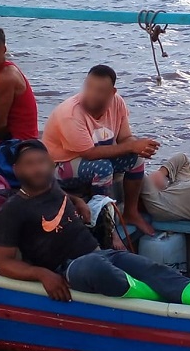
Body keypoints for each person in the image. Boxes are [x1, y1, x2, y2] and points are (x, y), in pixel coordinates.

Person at [0, 140, 190, 303]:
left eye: (42, 162)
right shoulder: (12, 210)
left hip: (100, 254)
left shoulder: (52, 185)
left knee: (150, 267)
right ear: (16, 170)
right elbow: (4, 264)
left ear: (51, 164)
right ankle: (157, 300)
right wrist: (43, 274)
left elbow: (61, 194)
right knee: (97, 267)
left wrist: (78, 201)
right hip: (69, 270)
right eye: (29, 164)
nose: (37, 169)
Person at [42, 65, 159, 235]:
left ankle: (131, 212)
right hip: (60, 167)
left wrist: (138, 147)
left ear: (112, 93)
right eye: (88, 87)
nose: (92, 94)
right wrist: (131, 146)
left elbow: (125, 138)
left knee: (136, 159)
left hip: (91, 160)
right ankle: (107, 228)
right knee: (102, 168)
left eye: (99, 90)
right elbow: (89, 153)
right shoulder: (70, 114)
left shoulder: (117, 102)